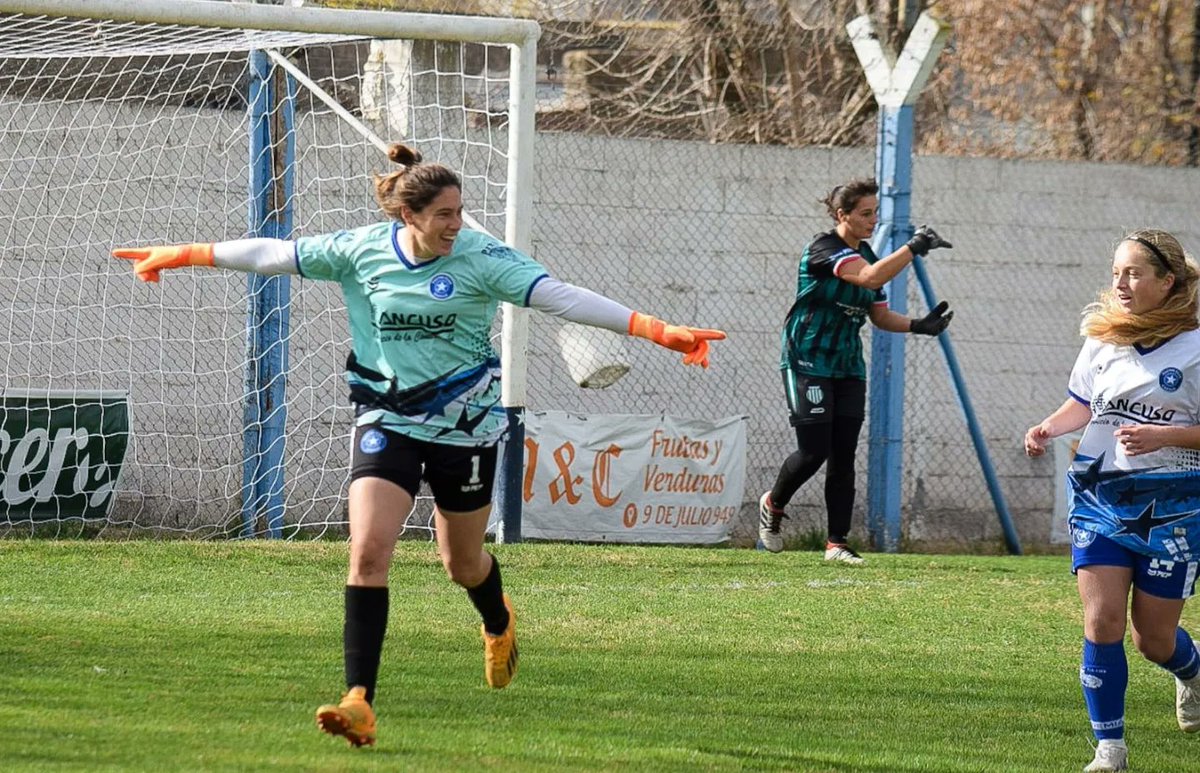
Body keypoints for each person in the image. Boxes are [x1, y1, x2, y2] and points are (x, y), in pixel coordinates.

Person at [112, 142, 726, 748]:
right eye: (444, 215)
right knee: (368, 551)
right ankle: (359, 702)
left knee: (461, 565)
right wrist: (185, 253)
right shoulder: (361, 251)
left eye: (459, 213)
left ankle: (498, 619)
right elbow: (275, 253)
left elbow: (560, 296)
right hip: (387, 420)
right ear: (408, 216)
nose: (456, 226)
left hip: (468, 430)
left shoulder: (484, 258)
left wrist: (654, 329)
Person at [1024, 229, 1200, 773]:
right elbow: (1082, 402)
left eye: (1134, 273)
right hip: (1101, 497)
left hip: (1175, 507)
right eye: (1116, 271)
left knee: (1153, 639)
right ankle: (1110, 751)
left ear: (1167, 282)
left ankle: (1192, 673)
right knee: (1101, 621)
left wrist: (1165, 437)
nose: (1120, 283)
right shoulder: (1105, 336)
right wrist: (1047, 428)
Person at [757, 178, 953, 563]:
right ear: (841, 215)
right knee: (813, 452)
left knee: (843, 454)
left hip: (848, 366)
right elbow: (870, 278)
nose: (873, 220)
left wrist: (918, 325)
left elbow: (878, 314)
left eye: (876, 213)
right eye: (866, 213)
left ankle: (836, 543)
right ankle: (774, 504)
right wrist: (913, 247)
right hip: (807, 360)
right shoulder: (824, 249)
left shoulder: (867, 254)